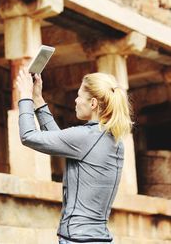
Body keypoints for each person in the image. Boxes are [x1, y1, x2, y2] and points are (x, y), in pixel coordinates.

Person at [16, 68, 133, 244]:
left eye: (79, 96)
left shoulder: (87, 136)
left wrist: (24, 96)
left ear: (93, 103)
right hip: (99, 238)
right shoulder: (113, 139)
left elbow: (28, 136)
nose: (76, 101)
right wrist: (38, 99)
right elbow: (60, 142)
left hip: (78, 239)